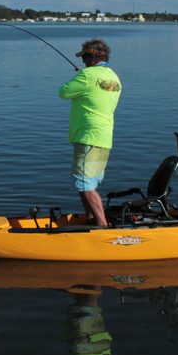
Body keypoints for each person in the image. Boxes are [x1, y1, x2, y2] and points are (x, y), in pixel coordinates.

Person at [58, 38, 121, 226]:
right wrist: (86, 75)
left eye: (84, 57)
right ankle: (91, 218)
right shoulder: (113, 77)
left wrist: (83, 75)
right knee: (84, 182)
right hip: (104, 137)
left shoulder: (87, 75)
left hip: (88, 136)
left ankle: (102, 226)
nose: (82, 61)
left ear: (93, 57)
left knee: (84, 183)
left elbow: (63, 92)